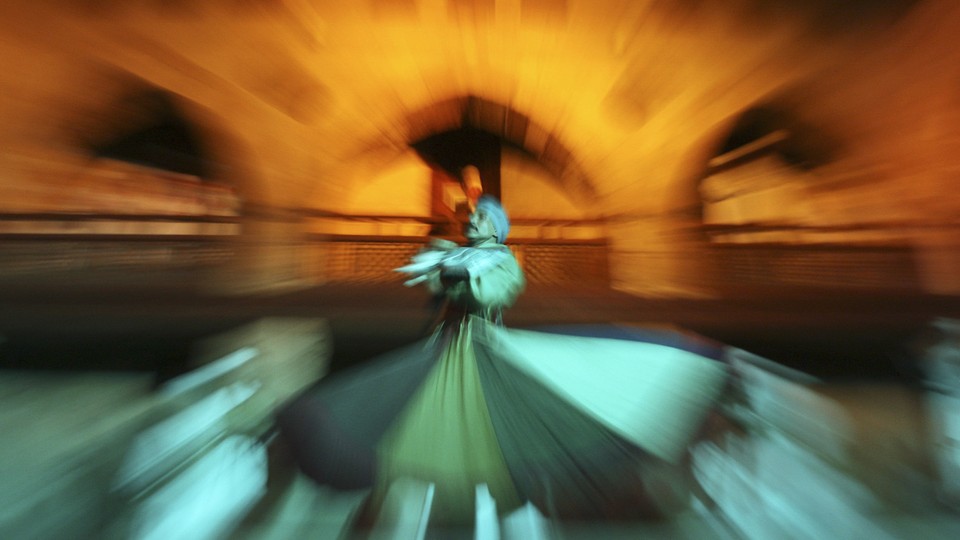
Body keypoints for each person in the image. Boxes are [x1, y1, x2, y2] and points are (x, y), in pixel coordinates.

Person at [278, 196, 729, 529]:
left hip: (485, 358)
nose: (471, 221)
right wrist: (441, 270)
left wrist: (459, 276)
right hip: (444, 358)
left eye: (480, 217)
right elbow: (437, 286)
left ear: (496, 226)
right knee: (414, 454)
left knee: (503, 467)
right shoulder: (457, 255)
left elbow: (492, 293)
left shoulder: (502, 261)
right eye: (471, 216)